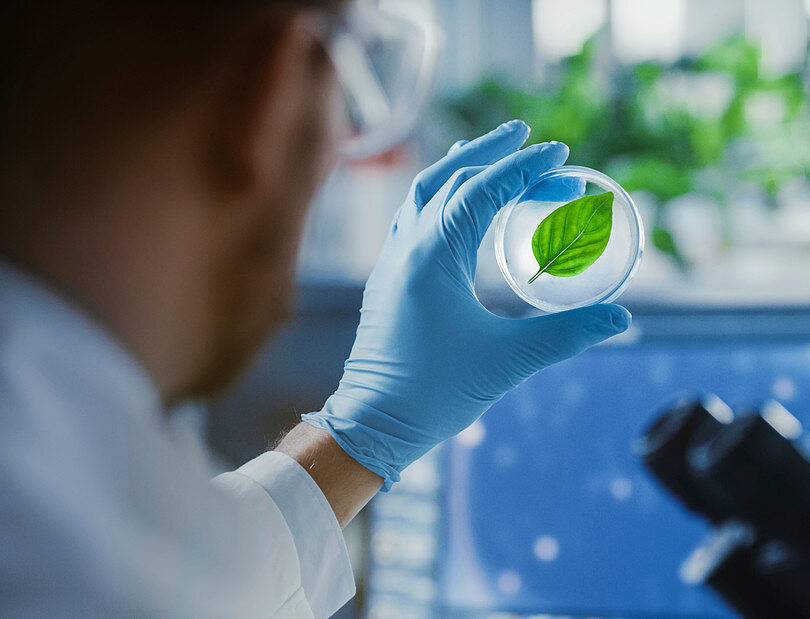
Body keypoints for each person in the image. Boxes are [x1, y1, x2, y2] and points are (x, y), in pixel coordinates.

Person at [0, 1, 630, 617]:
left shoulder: (63, 494)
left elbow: (192, 568)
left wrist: (358, 436)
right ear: (269, 91)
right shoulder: (81, 569)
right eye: (351, 80)